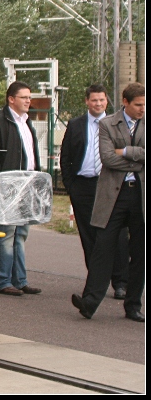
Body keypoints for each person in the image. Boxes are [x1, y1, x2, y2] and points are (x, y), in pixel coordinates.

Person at [72, 82, 145, 322]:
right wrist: (137, 157)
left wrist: (124, 152)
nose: (143, 109)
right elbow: (107, 158)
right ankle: (89, 302)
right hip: (114, 194)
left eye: (145, 105)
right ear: (125, 103)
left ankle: (133, 305)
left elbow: (117, 156)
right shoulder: (107, 124)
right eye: (138, 105)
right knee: (103, 246)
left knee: (139, 251)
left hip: (140, 195)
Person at [60, 84, 129, 299]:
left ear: (107, 101)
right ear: (86, 102)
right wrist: (71, 186)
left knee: (115, 234)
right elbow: (66, 156)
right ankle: (96, 281)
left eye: (101, 100)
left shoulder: (118, 125)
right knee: (89, 235)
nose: (98, 104)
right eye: (94, 100)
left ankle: (120, 282)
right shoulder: (75, 125)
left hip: (110, 185)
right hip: (83, 186)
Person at [0, 81, 42, 296]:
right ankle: (2, 281)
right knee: (6, 233)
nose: (28, 101)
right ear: (11, 99)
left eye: (29, 97)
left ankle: (20, 280)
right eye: (24, 97)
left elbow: (31, 155)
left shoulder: (26, 122)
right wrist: (1, 184)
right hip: (8, 187)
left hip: (27, 186)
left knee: (21, 234)